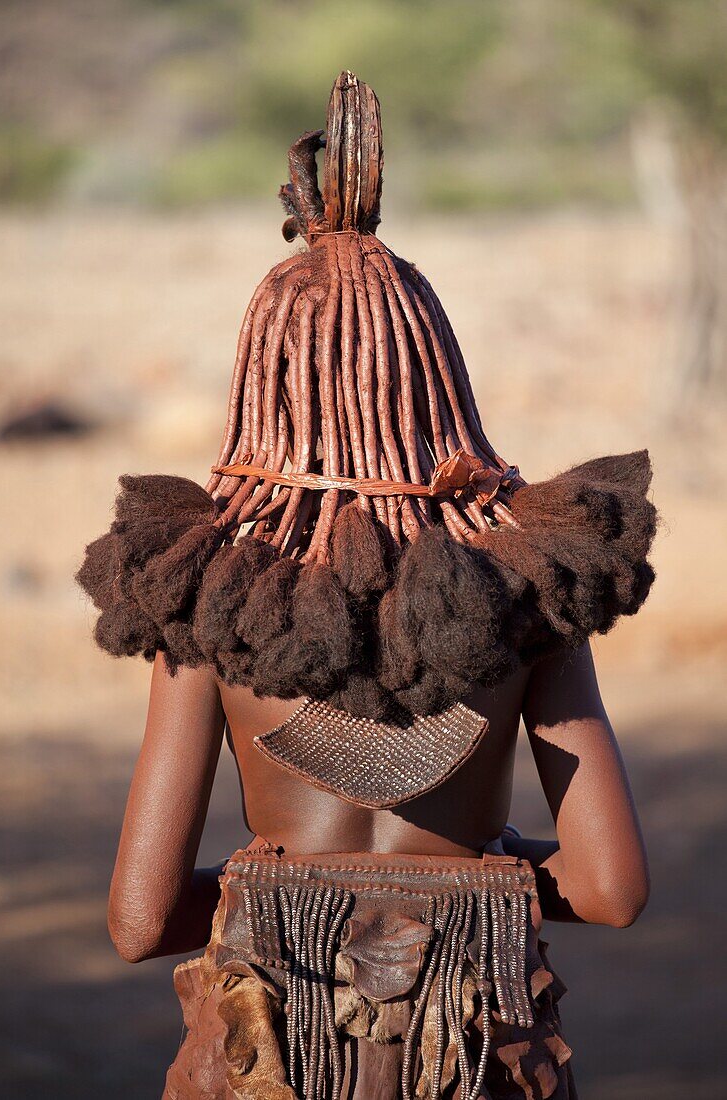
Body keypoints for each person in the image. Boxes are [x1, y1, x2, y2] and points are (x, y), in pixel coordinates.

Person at [78, 73, 655, 1100]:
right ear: (433, 374)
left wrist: (282, 880)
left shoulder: (207, 600)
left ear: (267, 381)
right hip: (473, 1054)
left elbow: (138, 918)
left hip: (270, 1058)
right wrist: (488, 861)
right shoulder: (527, 591)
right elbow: (609, 891)